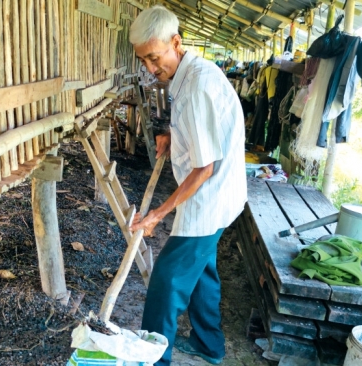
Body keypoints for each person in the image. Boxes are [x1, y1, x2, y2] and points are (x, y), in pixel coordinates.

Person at [128, 6, 247, 366]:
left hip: (209, 198)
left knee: (167, 280)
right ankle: (209, 345)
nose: (150, 68)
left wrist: (157, 215)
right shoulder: (191, 73)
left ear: (175, 42)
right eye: (144, 61)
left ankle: (152, 359)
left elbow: (204, 168)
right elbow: (197, 127)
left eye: (154, 57)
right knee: (203, 271)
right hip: (222, 197)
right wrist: (171, 135)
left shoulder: (197, 86)